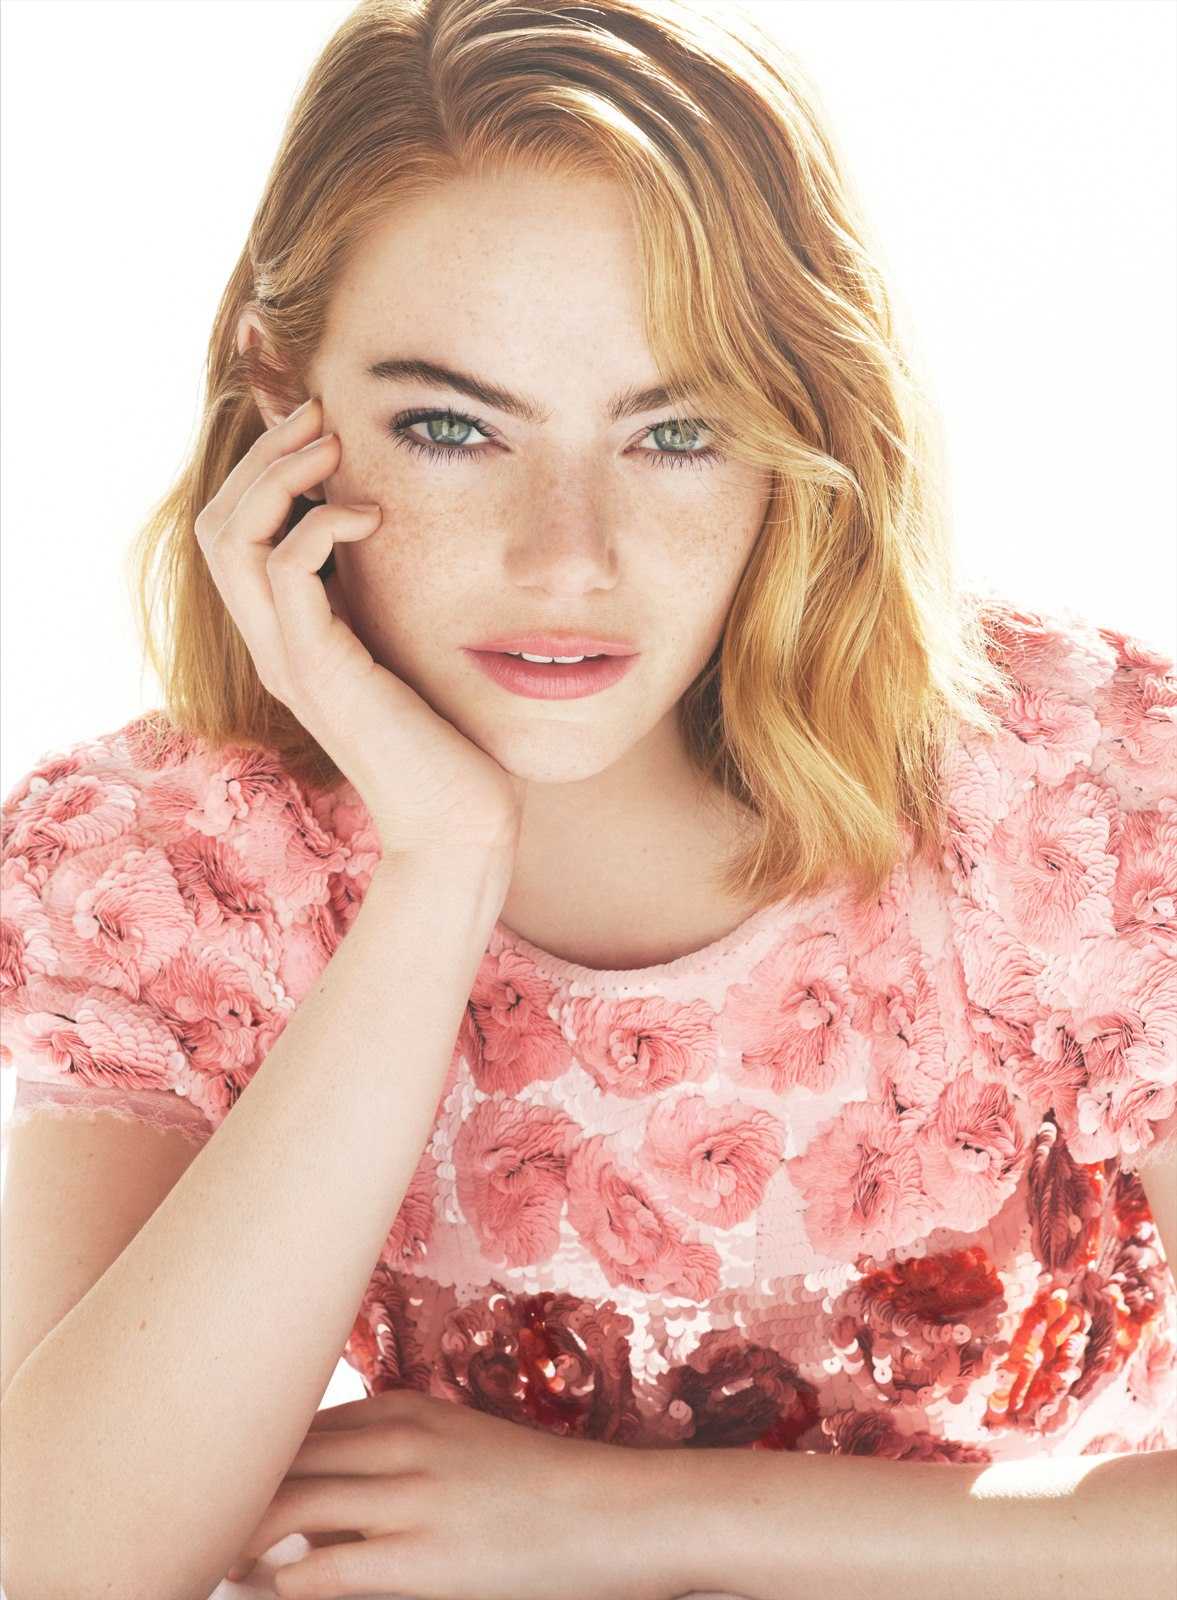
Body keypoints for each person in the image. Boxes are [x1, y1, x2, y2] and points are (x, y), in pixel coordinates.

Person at [2, 2, 1175, 1598]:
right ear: (280, 400)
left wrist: (632, 1518)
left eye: (674, 433)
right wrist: (438, 864)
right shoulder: (172, 866)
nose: (566, 557)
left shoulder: (1077, 796)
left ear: (802, 430)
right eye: (451, 428)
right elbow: (61, 1562)